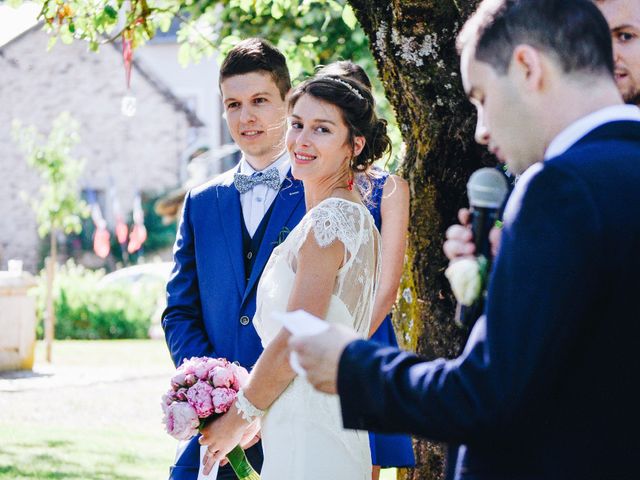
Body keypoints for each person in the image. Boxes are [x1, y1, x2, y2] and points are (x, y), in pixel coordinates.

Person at [290, 1, 640, 478]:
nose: (482, 129)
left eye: (480, 97)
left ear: (526, 67)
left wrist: (352, 367)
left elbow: (489, 393)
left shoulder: (560, 188)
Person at [198, 75, 390, 480]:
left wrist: (239, 416)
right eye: (297, 124)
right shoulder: (351, 217)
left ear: (354, 145)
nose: (302, 139)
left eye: (322, 129)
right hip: (312, 420)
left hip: (311, 435)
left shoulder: (329, 222)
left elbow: (297, 336)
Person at [161, 38, 306, 480]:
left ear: (288, 101)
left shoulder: (321, 197)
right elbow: (179, 310)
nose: (246, 117)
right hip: (215, 433)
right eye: (233, 104)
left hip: (294, 426)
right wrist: (215, 393)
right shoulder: (201, 202)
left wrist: (257, 400)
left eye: (260, 100)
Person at [444, 0, 640, 262]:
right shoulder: (549, 163)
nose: (606, 53)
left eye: (625, 36)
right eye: (597, 37)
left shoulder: (558, 183)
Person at [317, 60, 416, 479]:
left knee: (362, 462)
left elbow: (387, 286)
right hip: (311, 327)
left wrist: (344, 349)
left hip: (365, 335)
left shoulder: (390, 189)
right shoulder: (305, 179)